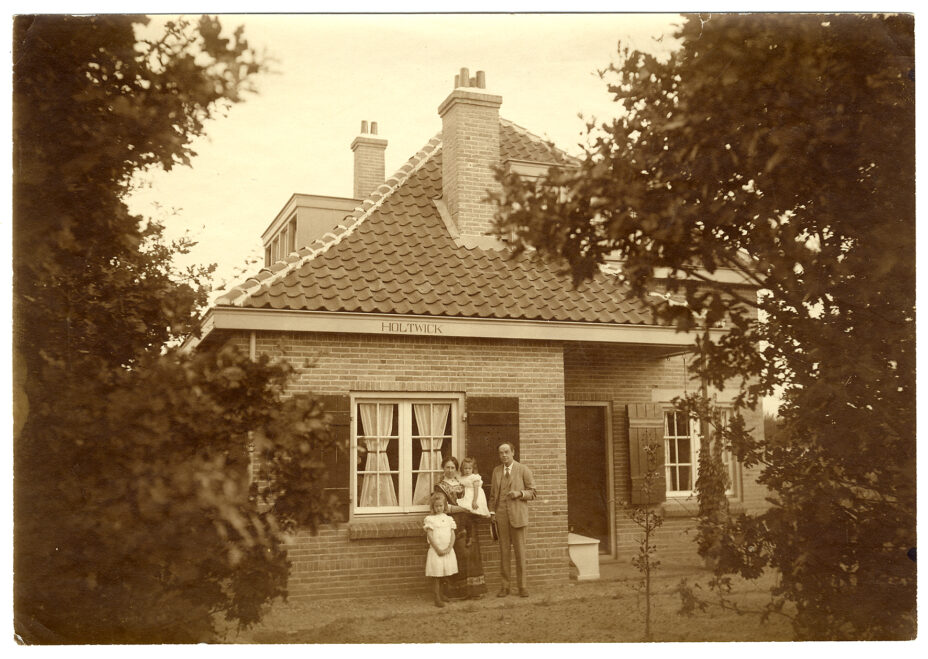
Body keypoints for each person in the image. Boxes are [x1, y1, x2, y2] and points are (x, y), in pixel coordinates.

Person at [434, 456, 489, 599]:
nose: (450, 470)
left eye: (453, 467)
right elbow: (444, 508)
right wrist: (464, 509)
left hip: (469, 522)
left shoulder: (462, 482)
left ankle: (474, 591)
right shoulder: (440, 486)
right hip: (454, 524)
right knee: (460, 555)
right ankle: (458, 592)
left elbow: (473, 495)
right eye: (447, 467)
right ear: (443, 468)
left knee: (472, 555)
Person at [489, 442, 537, 598]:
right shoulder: (496, 471)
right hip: (501, 517)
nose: (504, 455)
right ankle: (505, 586)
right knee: (504, 552)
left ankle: (522, 586)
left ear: (513, 453)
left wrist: (520, 494)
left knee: (520, 553)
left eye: (506, 452)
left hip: (518, 516)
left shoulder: (523, 470)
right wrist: (492, 513)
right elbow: (492, 496)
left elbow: (533, 492)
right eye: (501, 452)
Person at [423, 493, 457, 608]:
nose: (439, 508)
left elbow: (452, 535)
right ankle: (437, 597)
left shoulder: (449, 519)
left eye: (441, 506)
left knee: (445, 574)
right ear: (433, 507)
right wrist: (438, 549)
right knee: (437, 575)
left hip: (447, 551)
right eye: (436, 506)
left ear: (445, 506)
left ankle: (443, 594)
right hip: (436, 552)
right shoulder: (430, 519)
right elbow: (430, 536)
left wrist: (449, 548)